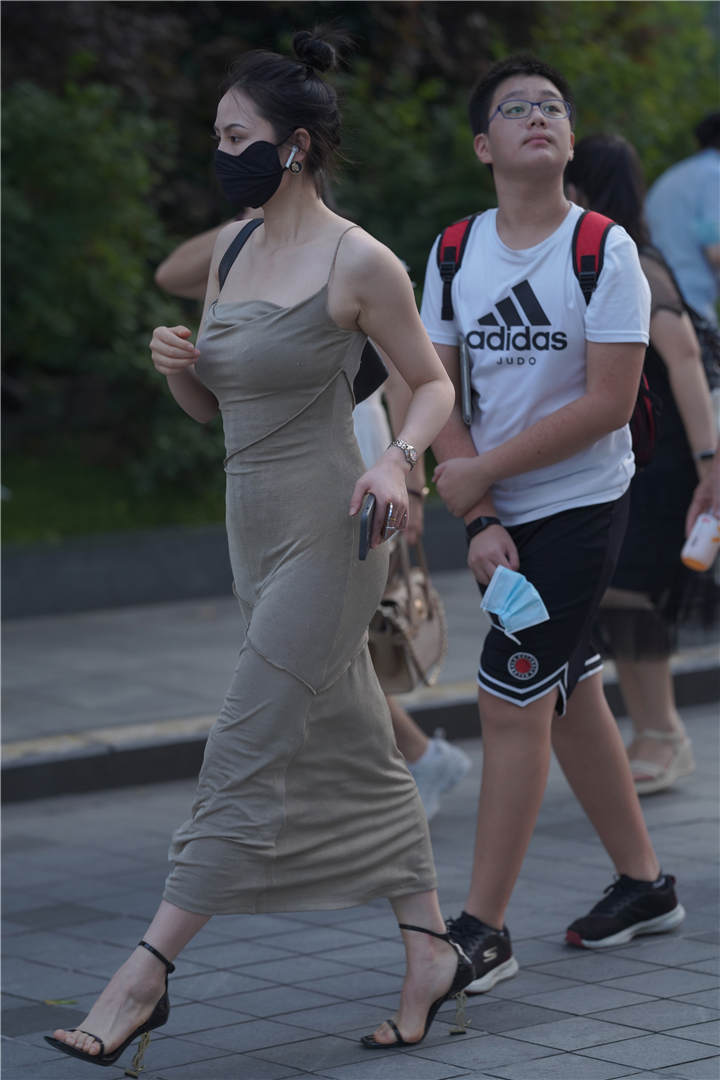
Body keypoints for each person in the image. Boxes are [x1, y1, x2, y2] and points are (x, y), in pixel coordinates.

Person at [45, 29, 468, 1069]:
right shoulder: (232, 254)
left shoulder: (358, 259)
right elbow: (214, 411)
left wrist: (398, 462)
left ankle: (143, 977)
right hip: (253, 531)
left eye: (237, 136)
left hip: (335, 528)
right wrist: (177, 368)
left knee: (241, 746)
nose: (221, 152)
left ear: (294, 146)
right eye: (218, 135)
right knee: (359, 745)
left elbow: (432, 382)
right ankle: (430, 949)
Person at [420, 55, 685, 991]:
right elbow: (438, 388)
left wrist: (480, 475)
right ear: (483, 145)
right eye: (515, 108)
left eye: (552, 107)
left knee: (509, 701)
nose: (537, 115)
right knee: (567, 694)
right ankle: (646, 886)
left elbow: (609, 403)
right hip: (501, 513)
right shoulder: (454, 252)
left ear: (569, 140)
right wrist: (481, 515)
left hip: (581, 507)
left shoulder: (604, 249)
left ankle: (483, 931)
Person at [156, 224, 470, 821]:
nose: (237, 173)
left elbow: (414, 378)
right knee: (331, 654)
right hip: (265, 493)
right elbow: (170, 277)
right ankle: (397, 786)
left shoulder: (357, 257)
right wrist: (247, 223)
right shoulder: (240, 253)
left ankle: (380, 781)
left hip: (355, 466)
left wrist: (408, 475)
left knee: (316, 648)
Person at [565, 134, 717, 795]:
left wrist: (710, 463)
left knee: (631, 593)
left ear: (584, 186)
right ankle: (653, 731)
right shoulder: (603, 253)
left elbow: (684, 358)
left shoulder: (634, 260)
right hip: (635, 452)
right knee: (620, 594)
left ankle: (664, 734)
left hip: (665, 457)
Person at [645, 113, 720, 326]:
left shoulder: (676, 175)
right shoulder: (715, 176)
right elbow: (715, 250)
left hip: (655, 295)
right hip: (691, 302)